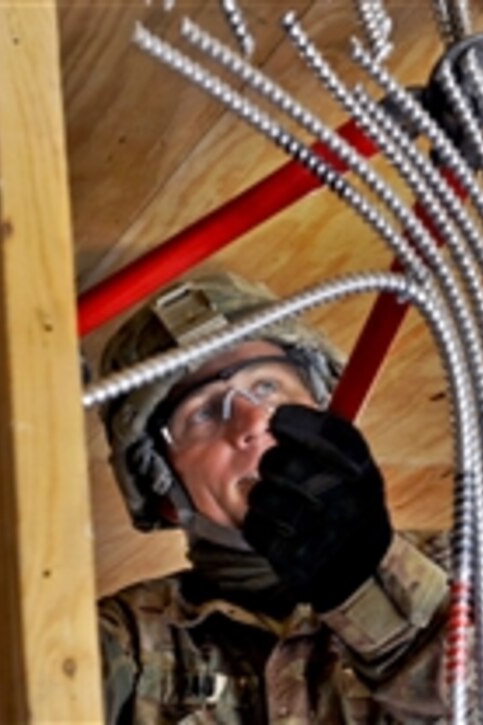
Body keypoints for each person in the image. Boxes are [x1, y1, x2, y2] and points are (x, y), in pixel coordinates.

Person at [96, 272, 456, 723]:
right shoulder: (119, 643)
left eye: (267, 385)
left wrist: (369, 589)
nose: (253, 421)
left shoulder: (472, 569)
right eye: (206, 411)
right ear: (164, 486)